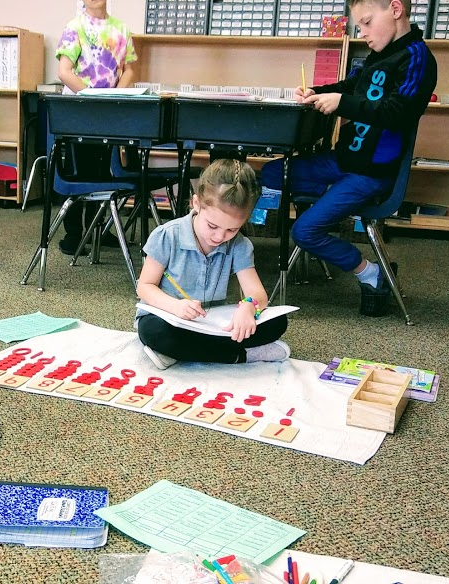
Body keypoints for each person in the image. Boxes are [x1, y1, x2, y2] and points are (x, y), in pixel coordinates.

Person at [261, 0, 436, 317]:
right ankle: (330, 201)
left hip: (371, 173)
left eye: (367, 22)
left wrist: (341, 102)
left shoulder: (416, 57)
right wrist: (317, 92)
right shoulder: (379, 53)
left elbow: (397, 113)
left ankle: (372, 273)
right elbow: (350, 86)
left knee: (305, 232)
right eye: (359, 26)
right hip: (341, 161)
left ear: (396, 9)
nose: (362, 32)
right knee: (271, 173)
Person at [136, 159, 290, 368]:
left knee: (277, 322)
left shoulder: (239, 245)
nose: (219, 237)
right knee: (155, 333)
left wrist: (248, 307)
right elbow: (144, 287)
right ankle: (240, 356)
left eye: (232, 229)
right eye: (212, 225)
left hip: (212, 323)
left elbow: (258, 294)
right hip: (169, 318)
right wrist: (175, 306)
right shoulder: (167, 236)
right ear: (196, 203)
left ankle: (182, 353)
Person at [54, 0, 138, 255]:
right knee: (79, 171)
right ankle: (74, 233)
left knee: (102, 172)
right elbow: (64, 71)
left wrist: (114, 97)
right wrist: (93, 97)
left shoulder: (121, 29)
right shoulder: (75, 27)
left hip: (107, 113)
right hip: (79, 112)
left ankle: (97, 229)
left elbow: (129, 69)